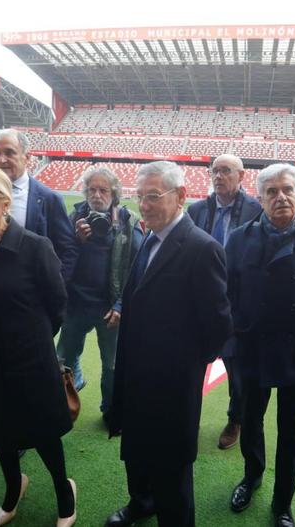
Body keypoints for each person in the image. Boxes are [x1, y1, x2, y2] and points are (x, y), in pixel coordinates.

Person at [105, 161, 232, 527]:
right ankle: (141, 502)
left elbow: (219, 326)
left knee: (172, 470)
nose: (144, 205)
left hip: (172, 384)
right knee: (138, 452)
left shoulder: (201, 248)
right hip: (137, 374)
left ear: (180, 197)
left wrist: (184, 365)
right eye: (140, 196)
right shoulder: (150, 237)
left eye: (154, 196)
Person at [0, 165, 77, 527]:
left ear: (4, 201)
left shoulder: (35, 248)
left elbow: (57, 306)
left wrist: (30, 341)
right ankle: (12, 486)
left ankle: (63, 490)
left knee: (44, 433)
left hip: (30, 360)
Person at [226, 164, 295, 527]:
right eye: (271, 192)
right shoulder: (239, 238)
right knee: (251, 422)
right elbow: (228, 294)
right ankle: (252, 476)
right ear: (260, 198)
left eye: (287, 189)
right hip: (252, 349)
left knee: (292, 432)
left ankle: (282, 503)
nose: (280, 197)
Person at [56, 166, 142, 427]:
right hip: (76, 304)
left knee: (113, 365)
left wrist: (120, 304)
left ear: (114, 193)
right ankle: (61, 406)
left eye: (103, 190)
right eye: (92, 189)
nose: (96, 195)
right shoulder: (74, 217)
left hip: (110, 308)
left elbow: (137, 267)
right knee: (63, 360)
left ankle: (111, 411)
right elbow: (61, 256)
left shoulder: (129, 221)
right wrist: (76, 239)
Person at [187, 153, 261, 450]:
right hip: (198, 302)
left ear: (241, 176)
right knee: (190, 363)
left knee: (236, 371)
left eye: (226, 171)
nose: (218, 176)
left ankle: (236, 419)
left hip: (237, 304)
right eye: (214, 171)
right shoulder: (197, 210)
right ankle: (186, 416)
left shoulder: (256, 210)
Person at [0, 129, 78, 282]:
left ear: (27, 158)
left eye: (9, 152)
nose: (1, 160)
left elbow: (68, 250)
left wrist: (54, 287)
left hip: (29, 297)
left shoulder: (49, 199)